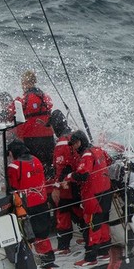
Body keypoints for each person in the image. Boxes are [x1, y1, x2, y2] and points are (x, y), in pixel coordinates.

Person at [7, 140, 56, 269]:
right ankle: (48, 265)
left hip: (26, 207)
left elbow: (13, 189)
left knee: (26, 237)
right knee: (42, 235)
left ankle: (29, 267)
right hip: (42, 203)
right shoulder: (36, 160)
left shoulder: (14, 166)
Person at [67, 130, 114, 267]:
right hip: (106, 192)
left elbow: (83, 175)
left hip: (94, 195)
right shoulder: (98, 150)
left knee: (93, 225)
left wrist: (69, 177)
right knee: (104, 221)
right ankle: (105, 252)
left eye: (74, 144)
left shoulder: (87, 155)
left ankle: (90, 258)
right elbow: (110, 161)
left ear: (80, 142)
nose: (73, 147)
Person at [7, 70, 55, 177]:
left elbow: (9, 114)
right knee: (48, 165)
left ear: (26, 83)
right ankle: (50, 184)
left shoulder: (22, 100)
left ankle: (33, 184)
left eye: (23, 83)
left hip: (31, 139)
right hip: (48, 138)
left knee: (33, 166)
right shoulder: (46, 98)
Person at [48, 110, 81, 256]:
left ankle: (63, 246)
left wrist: (56, 187)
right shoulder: (76, 136)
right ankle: (89, 239)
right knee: (80, 211)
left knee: (62, 214)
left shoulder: (61, 144)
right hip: (79, 183)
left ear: (55, 127)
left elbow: (62, 168)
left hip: (66, 186)